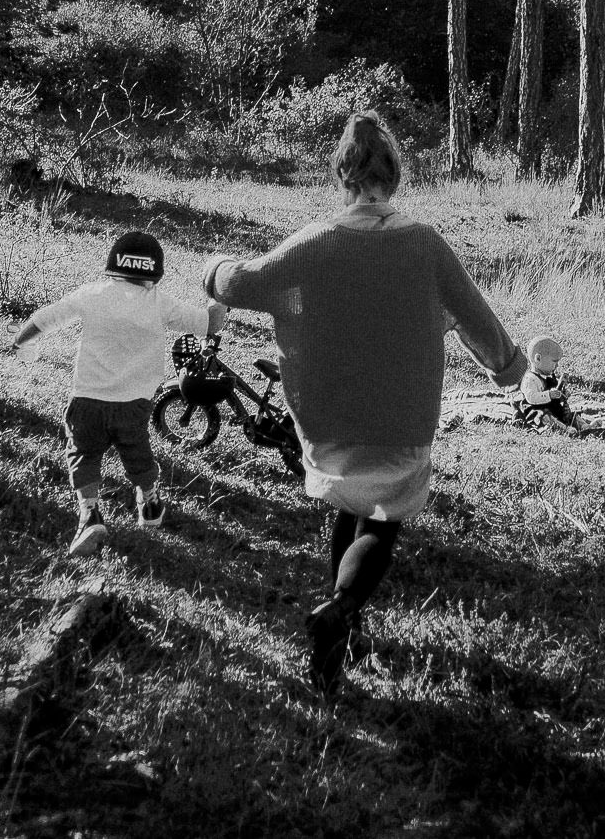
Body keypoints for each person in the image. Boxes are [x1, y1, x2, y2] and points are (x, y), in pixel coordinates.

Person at [201, 111, 526, 697]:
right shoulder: (423, 242)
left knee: (348, 506)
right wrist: (508, 367)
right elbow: (476, 316)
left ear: (342, 175)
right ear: (395, 174)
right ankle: (343, 608)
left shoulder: (317, 239)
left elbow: (244, 283)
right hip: (400, 412)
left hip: (327, 410)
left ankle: (336, 614)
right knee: (383, 517)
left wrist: (212, 270)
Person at [11, 229, 226, 557]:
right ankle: (149, 502)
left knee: (83, 454)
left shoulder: (92, 294)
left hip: (87, 400)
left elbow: (45, 318)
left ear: (113, 265)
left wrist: (19, 340)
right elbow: (211, 324)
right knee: (137, 454)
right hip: (133, 404)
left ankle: (90, 514)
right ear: (154, 274)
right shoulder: (159, 303)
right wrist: (220, 293)